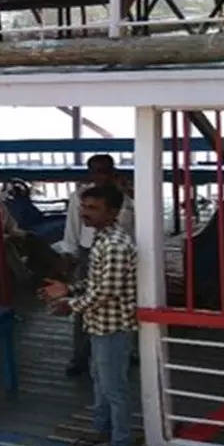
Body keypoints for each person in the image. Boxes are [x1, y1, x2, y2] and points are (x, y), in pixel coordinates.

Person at [38, 184, 138, 446]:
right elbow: (95, 285)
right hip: (99, 324)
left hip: (113, 327)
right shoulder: (103, 239)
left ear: (114, 212)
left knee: (114, 388)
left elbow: (105, 292)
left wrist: (69, 302)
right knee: (99, 380)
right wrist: (68, 288)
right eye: (84, 207)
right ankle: (101, 429)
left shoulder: (116, 245)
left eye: (93, 208)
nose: (85, 213)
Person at [57, 155, 135, 377]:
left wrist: (129, 192)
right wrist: (69, 254)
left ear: (113, 172)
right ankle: (80, 357)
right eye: (96, 171)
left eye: (105, 171)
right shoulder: (80, 197)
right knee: (86, 305)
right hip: (89, 251)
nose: (100, 175)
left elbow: (143, 222)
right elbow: (72, 227)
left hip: (121, 252)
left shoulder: (125, 198)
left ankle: (125, 351)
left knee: (123, 304)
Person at [0, 175, 62, 283]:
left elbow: (11, 225)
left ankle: (54, 265)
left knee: (32, 238)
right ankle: (24, 276)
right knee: (7, 245)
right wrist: (7, 237)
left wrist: (20, 234)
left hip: (2, 236)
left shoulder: (0, 205)